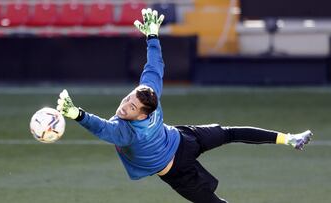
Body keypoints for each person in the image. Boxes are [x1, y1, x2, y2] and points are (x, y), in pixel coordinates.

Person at [56, 8, 313, 203]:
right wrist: (153, 36)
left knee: (229, 140)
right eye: (127, 100)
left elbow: (103, 127)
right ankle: (289, 140)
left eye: (132, 107)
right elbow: (154, 67)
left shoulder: (127, 128)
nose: (125, 107)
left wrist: (75, 114)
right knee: (222, 173)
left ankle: (289, 139)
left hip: (179, 154)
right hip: (180, 152)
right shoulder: (145, 100)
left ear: (146, 112)